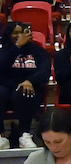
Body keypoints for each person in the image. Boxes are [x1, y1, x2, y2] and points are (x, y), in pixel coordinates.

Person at [0, 22, 50, 150]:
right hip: (6, 88)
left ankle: (24, 134)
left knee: (24, 92)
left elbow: (45, 71)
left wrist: (30, 81)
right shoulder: (4, 51)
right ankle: (2, 136)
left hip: (30, 88)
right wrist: (17, 47)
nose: (19, 36)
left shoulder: (38, 51)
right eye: (15, 33)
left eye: (21, 33)